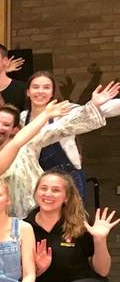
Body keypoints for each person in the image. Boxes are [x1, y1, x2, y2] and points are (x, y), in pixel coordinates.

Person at [0, 83, 118, 218]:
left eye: (6, 124)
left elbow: (60, 128)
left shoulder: (27, 144)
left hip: (38, 214)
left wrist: (92, 106)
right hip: (6, 220)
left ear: (15, 129)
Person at [21, 71, 120, 200]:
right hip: (36, 179)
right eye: (35, 87)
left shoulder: (64, 110)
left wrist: (96, 104)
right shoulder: (22, 118)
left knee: (74, 218)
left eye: (46, 87)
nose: (40, 91)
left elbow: (96, 111)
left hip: (68, 177)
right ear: (28, 92)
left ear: (52, 93)